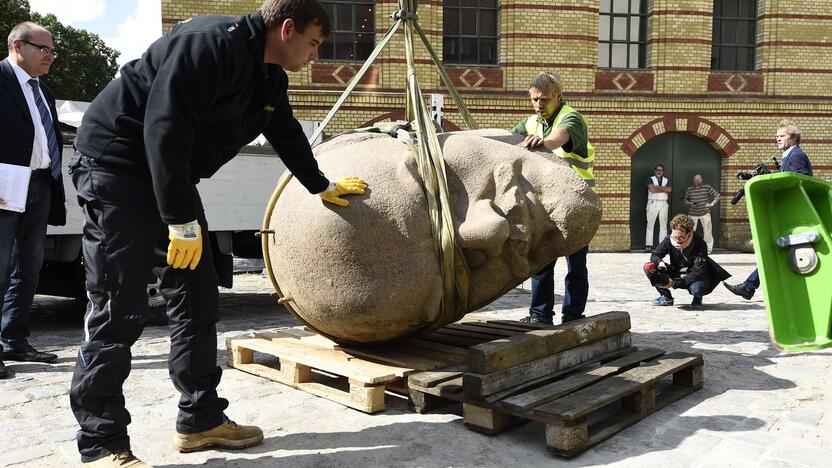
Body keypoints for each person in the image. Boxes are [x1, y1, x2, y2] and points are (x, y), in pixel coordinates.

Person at [68, 1, 366, 466]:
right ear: (286, 29)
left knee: (197, 296)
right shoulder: (204, 46)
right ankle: (102, 444)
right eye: (312, 43)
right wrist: (181, 222)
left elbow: (285, 132)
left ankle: (200, 420)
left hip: (171, 176)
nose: (315, 55)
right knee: (118, 302)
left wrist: (322, 186)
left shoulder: (269, 78)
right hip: (117, 167)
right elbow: (162, 131)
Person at [0, 22, 66, 380]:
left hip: (39, 184)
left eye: (52, 51)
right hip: (4, 185)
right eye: (43, 48)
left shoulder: (44, 90)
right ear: (16, 45)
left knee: (28, 268)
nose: (49, 56)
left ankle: (14, 340)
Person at [511, 71, 596, 324]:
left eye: (545, 100)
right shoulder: (530, 123)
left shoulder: (571, 117)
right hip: (547, 205)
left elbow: (560, 137)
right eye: (535, 99)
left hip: (577, 203)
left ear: (559, 97)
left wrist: (543, 143)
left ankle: (572, 315)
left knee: (576, 265)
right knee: (542, 262)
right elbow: (508, 140)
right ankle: (540, 315)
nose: (539, 105)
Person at [724, 119, 813, 300]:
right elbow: (787, 178)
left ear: (794, 137)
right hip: (789, 213)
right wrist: (766, 177)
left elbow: (801, 181)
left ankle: (751, 287)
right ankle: (750, 286)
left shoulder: (796, 155)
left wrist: (772, 179)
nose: (778, 139)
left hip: (793, 214)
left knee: (775, 252)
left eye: (782, 136)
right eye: (777, 136)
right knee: (774, 252)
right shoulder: (789, 155)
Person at [646, 214, 731, 309]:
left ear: (689, 234)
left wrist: (674, 283)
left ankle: (697, 299)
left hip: (695, 275)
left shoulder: (699, 243)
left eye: (681, 237)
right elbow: (655, 255)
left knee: (697, 288)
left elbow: (698, 271)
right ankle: (666, 297)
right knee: (650, 267)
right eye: (675, 237)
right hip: (677, 271)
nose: (677, 241)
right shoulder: (669, 239)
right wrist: (660, 262)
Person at [684, 174, 720, 253]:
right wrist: (690, 203)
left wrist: (711, 204)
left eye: (698, 179)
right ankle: (689, 248)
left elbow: (717, 195)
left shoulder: (707, 188)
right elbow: (685, 200)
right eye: (695, 179)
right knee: (690, 232)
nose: (697, 181)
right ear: (694, 180)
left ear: (702, 180)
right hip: (692, 214)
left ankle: (708, 249)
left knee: (707, 232)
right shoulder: (690, 189)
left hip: (705, 213)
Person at [645, 164, 671, 252]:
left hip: (664, 203)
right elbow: (651, 189)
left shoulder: (666, 180)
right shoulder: (650, 178)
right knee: (650, 224)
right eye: (658, 170)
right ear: (655, 170)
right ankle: (648, 245)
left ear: (663, 171)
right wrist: (663, 189)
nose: (659, 171)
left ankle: (662, 245)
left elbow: (669, 190)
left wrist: (657, 188)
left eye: (661, 170)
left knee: (663, 225)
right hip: (653, 202)